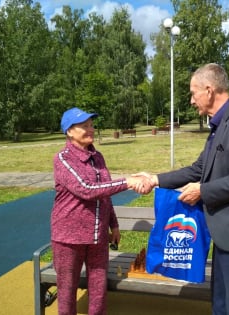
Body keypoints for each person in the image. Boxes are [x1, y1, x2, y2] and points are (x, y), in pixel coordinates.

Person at [135, 63, 229, 315]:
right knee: (220, 304)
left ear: (209, 90)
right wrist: (155, 179)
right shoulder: (220, 125)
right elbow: (198, 169)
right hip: (224, 235)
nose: (191, 100)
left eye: (193, 92)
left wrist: (203, 191)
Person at [51, 107, 143, 315]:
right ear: (69, 132)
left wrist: (114, 224)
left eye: (91, 125)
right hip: (69, 238)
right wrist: (128, 181)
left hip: (97, 237)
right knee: (66, 293)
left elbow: (105, 192)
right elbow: (86, 189)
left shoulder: (98, 157)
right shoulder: (63, 159)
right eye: (84, 126)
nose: (90, 129)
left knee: (99, 290)